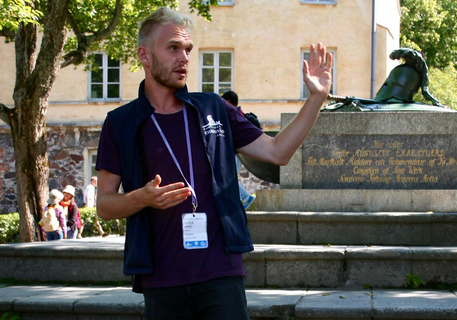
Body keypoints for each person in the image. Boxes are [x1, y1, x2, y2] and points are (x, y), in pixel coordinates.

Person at [96, 7, 332, 320]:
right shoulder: (121, 123)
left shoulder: (213, 109)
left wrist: (316, 98)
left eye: (187, 50)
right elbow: (104, 205)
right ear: (145, 55)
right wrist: (142, 197)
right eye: (173, 48)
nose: (184, 58)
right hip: (161, 277)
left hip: (221, 272)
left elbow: (278, 153)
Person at [222, 90, 257, 209]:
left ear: (228, 102)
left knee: (227, 178)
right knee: (228, 178)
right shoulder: (240, 114)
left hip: (234, 152)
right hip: (239, 153)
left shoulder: (233, 116)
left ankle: (245, 197)